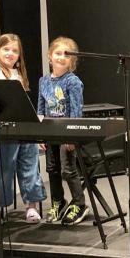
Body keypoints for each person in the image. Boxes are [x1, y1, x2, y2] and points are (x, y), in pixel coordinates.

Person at [0, 33, 47, 225]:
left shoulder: (18, 75)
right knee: (3, 168)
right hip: (4, 130)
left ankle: (32, 206)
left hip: (24, 128)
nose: (10, 53)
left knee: (30, 166)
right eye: (6, 49)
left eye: (15, 51)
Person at [38, 36, 89, 225]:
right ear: (50, 56)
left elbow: (76, 110)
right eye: (58, 53)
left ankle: (79, 203)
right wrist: (40, 135)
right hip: (50, 133)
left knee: (68, 170)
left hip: (66, 133)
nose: (61, 57)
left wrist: (71, 136)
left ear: (72, 61)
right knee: (52, 169)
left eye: (66, 55)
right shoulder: (43, 81)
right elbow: (41, 109)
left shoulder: (73, 82)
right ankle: (58, 202)